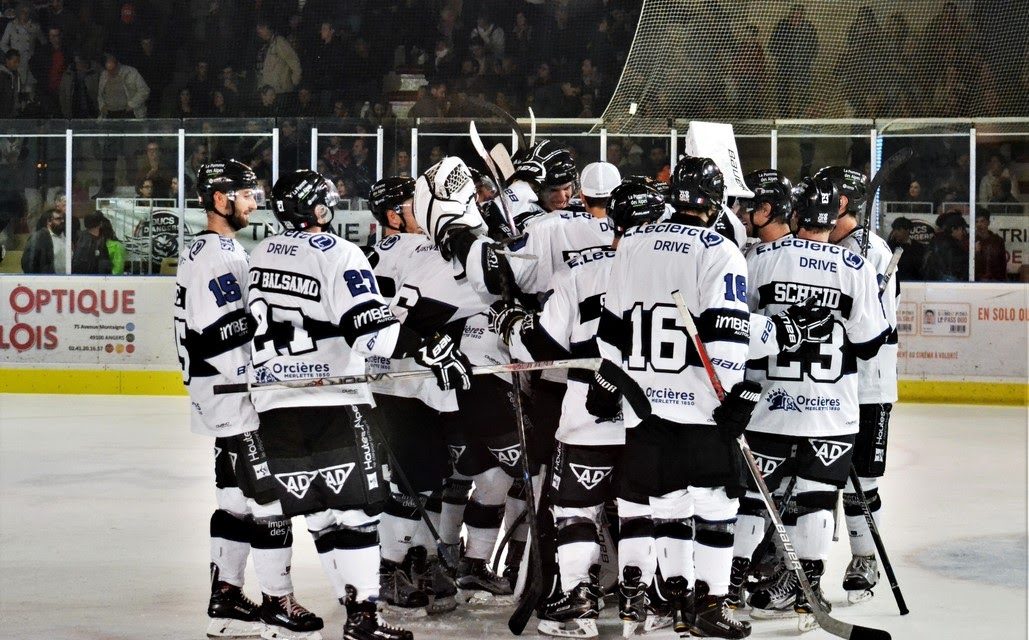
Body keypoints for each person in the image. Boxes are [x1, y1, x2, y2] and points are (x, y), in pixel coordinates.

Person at [248, 168, 472, 640]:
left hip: (273, 402)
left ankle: (346, 607)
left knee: (319, 514)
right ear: (319, 208)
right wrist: (426, 344)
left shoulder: (261, 251)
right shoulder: (339, 252)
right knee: (357, 514)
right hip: (332, 400)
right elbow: (369, 329)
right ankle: (363, 617)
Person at [585, 156, 761, 639]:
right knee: (717, 507)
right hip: (700, 407)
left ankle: (677, 601)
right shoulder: (721, 250)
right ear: (717, 202)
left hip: (645, 407)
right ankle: (709, 605)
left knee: (666, 504)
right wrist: (731, 399)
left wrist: (623, 387)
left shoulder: (634, 244)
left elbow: (611, 332)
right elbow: (726, 334)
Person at [491, 180, 671, 638]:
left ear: (614, 222)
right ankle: (640, 602)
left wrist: (512, 322)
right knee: (639, 509)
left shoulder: (580, 272)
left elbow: (544, 347)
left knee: (575, 510)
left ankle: (577, 604)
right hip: (652, 414)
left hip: (587, 412)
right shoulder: (677, 271)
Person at [172, 159, 319, 639]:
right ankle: (279, 602)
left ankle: (227, 595)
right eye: (246, 194)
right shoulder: (218, 255)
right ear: (220, 200)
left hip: (217, 393)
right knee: (269, 500)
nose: (255, 202)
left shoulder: (212, 249)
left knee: (233, 499)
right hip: (233, 395)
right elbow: (212, 336)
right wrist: (274, 325)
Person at [738, 177, 890, 622]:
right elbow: (868, 346)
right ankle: (808, 589)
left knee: (753, 500)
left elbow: (737, 330)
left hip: (769, 406)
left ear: (797, 215)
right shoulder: (855, 265)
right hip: (831, 413)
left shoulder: (759, 259)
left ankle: (730, 589)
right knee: (817, 501)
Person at [818, 166, 900, 604]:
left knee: (861, 482)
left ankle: (864, 557)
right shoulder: (832, 248)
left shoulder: (872, 252)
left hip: (868, 387)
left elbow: (875, 331)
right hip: (828, 385)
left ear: (841, 203)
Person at [922, 211, 969, 281]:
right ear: (953, 229)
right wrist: (972, 254)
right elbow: (955, 264)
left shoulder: (940, 240)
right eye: (962, 229)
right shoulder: (948, 243)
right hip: (946, 281)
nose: (964, 232)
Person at [22, 207, 65, 273]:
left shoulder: (65, 237)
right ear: (49, 221)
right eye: (58, 219)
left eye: (63, 219)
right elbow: (29, 265)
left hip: (67, 280)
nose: (62, 221)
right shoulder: (39, 238)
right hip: (48, 280)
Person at [887, 217, 925, 281]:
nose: (895, 233)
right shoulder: (890, 246)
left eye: (899, 230)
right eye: (894, 230)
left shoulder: (918, 247)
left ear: (907, 230)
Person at [974, 209, 1007, 281]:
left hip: (995, 281)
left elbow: (1002, 264)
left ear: (988, 223)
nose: (979, 224)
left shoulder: (998, 241)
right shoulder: (970, 240)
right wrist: (976, 253)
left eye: (982, 221)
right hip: (976, 282)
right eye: (976, 221)